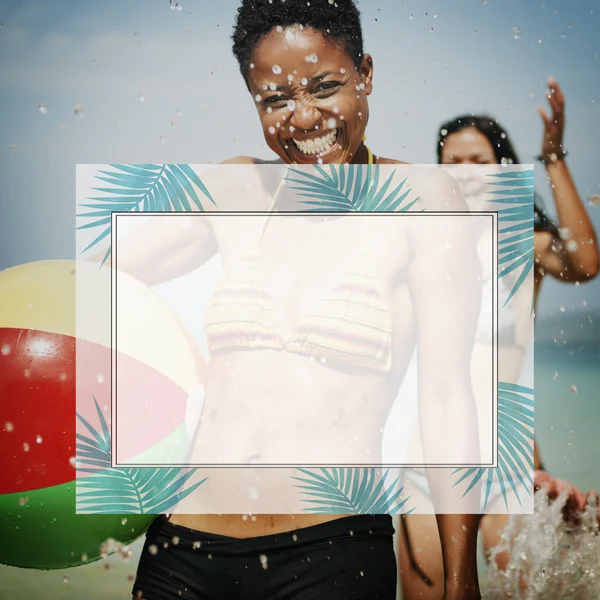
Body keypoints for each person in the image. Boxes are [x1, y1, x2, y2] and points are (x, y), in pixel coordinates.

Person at [101, 2, 485, 599]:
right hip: (182, 550)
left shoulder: (424, 200)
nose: (304, 117)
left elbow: (447, 400)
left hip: (333, 552)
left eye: (325, 87)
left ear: (367, 74)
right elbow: (96, 284)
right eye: (275, 98)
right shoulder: (234, 187)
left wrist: (462, 579)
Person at [398, 78, 600, 600]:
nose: (465, 172)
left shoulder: (524, 247)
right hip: (425, 460)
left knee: (524, 592)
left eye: (478, 160)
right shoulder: (415, 249)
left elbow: (585, 261)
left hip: (507, 459)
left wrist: (553, 157)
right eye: (452, 162)